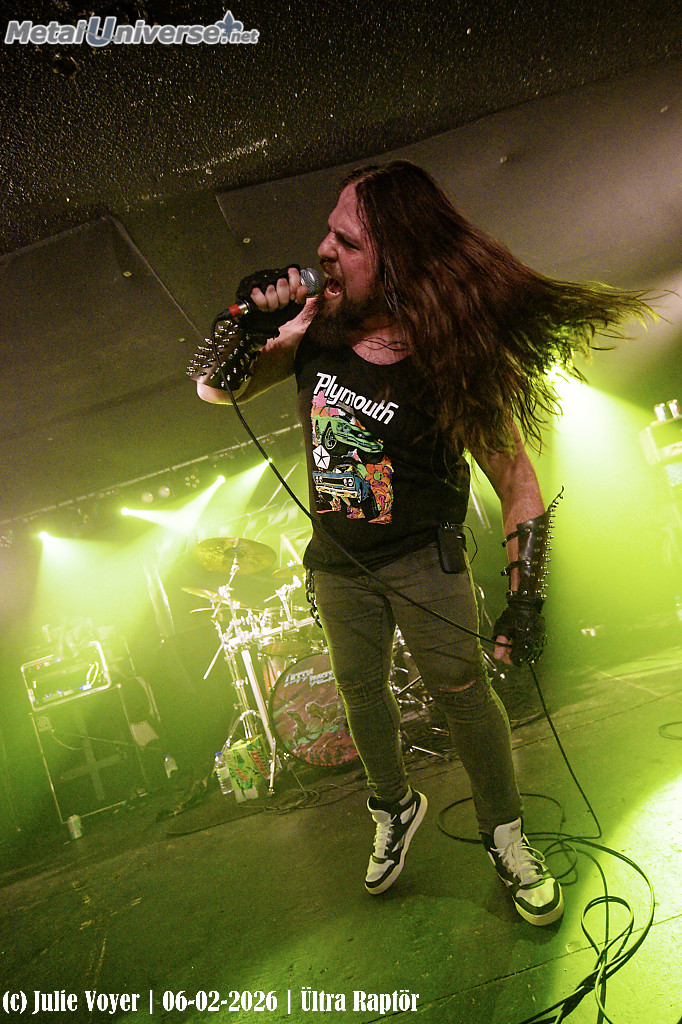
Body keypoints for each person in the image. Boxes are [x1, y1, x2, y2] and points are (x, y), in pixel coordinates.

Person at [192, 160, 652, 926]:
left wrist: (526, 599)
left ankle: (506, 834)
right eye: (328, 232)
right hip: (338, 562)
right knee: (358, 690)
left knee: (462, 691)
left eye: (347, 241)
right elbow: (218, 389)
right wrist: (243, 323)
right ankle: (393, 806)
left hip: (420, 557)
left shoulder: (449, 355)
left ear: (397, 260)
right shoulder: (317, 324)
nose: (324, 250)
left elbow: (517, 479)